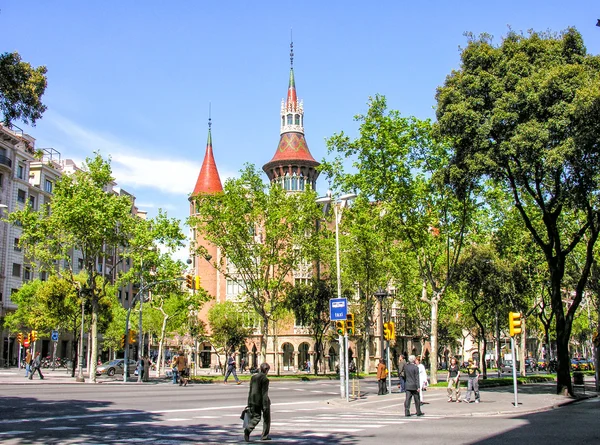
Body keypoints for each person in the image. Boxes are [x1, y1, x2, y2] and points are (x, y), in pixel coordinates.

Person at [244, 362, 271, 442]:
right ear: (266, 370)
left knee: (256, 417)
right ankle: (264, 435)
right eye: (268, 370)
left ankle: (248, 430)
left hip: (252, 399)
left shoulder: (253, 377)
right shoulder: (265, 379)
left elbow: (250, 390)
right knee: (266, 418)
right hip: (261, 401)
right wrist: (266, 405)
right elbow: (264, 393)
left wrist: (248, 402)